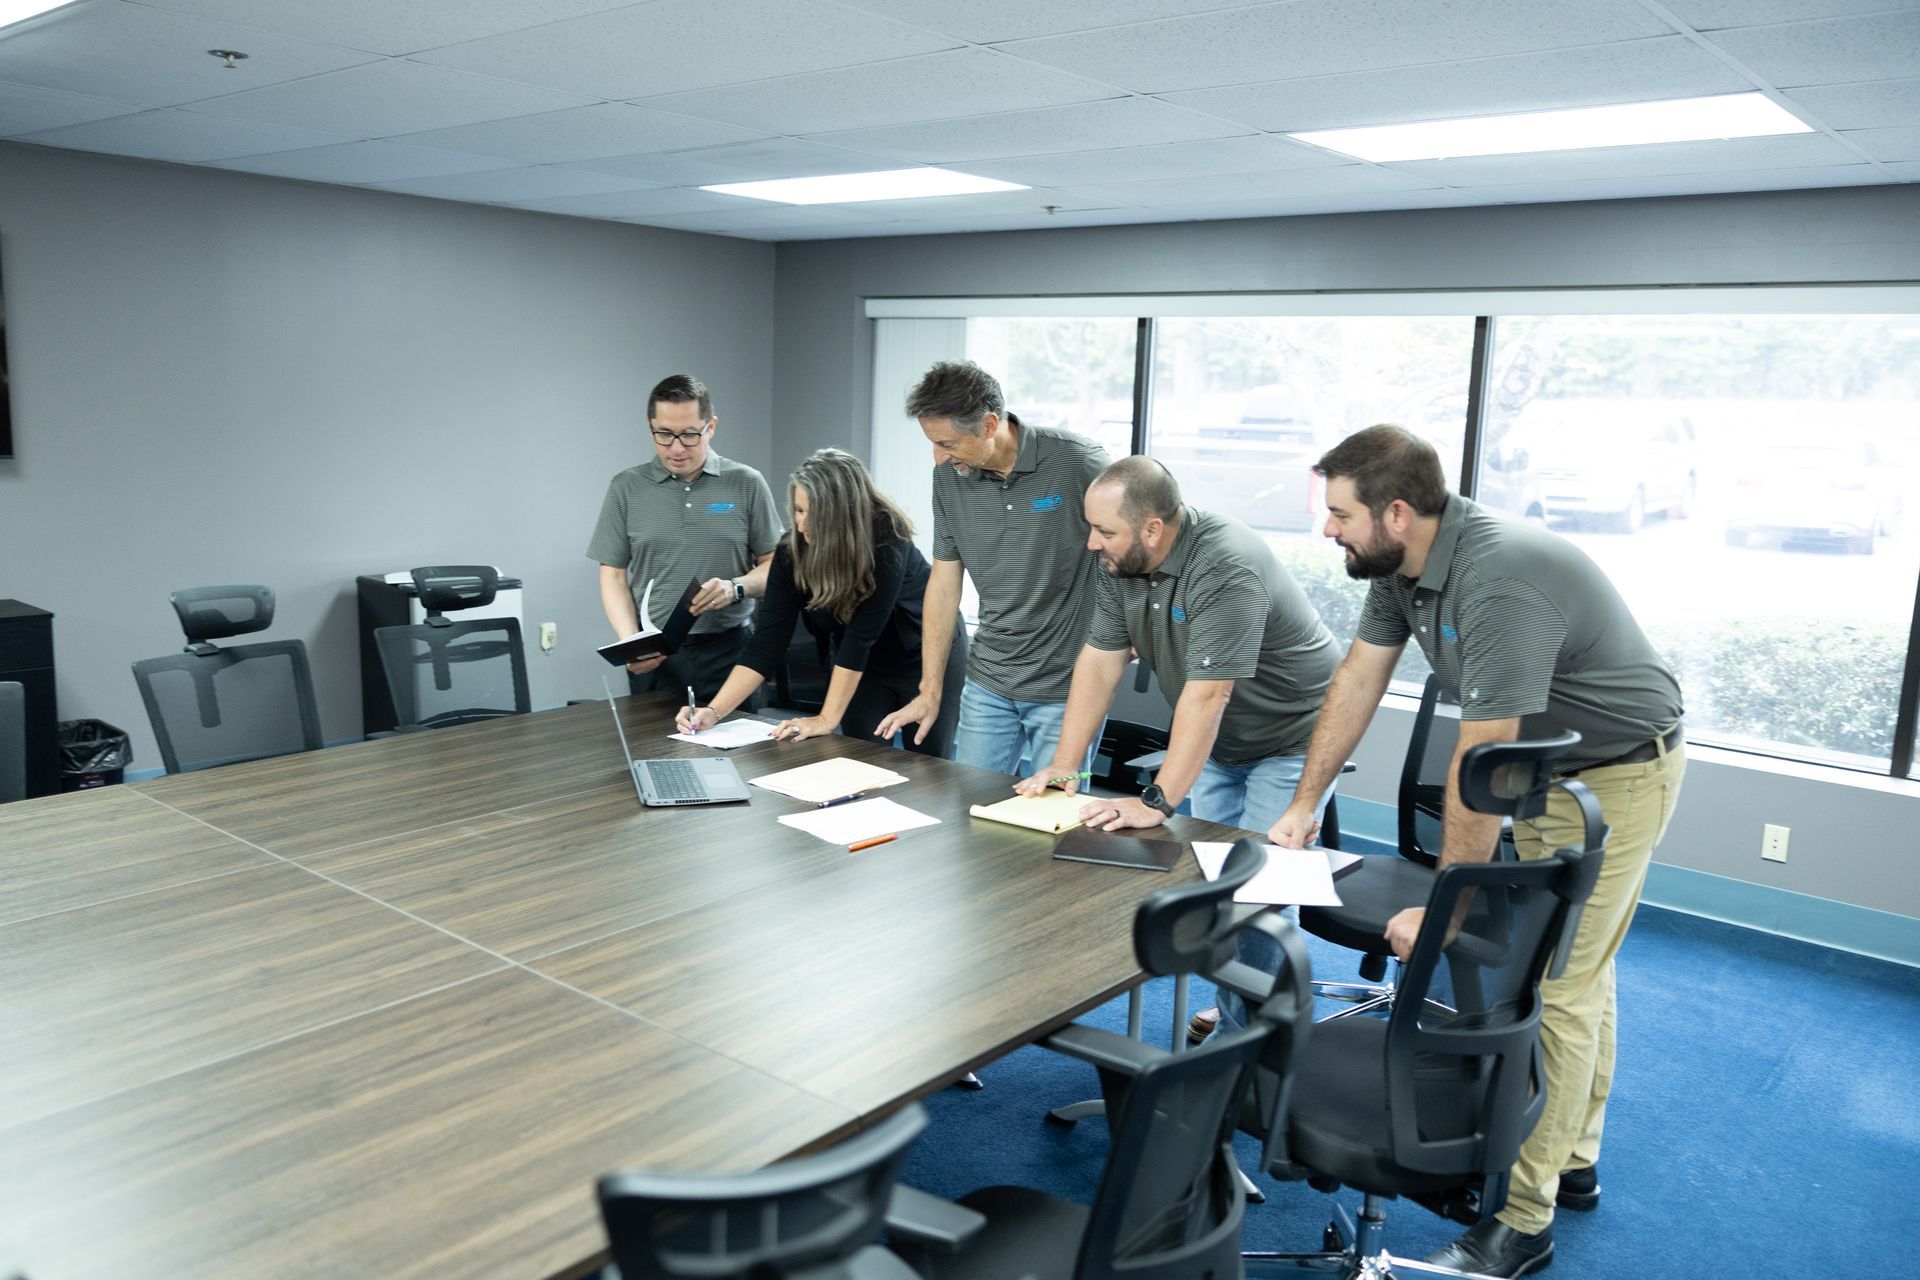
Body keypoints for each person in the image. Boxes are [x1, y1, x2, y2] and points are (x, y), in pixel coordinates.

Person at [1268, 424, 1686, 1279]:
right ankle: (1574, 1160)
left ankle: (1524, 1223)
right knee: (1585, 970)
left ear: (1396, 510)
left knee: (1556, 984)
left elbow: (1479, 761)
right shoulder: (1402, 566)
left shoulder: (1498, 578)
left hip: (1608, 773)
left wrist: (1447, 907)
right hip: (1539, 764)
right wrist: (1304, 805)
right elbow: (1357, 675)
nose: (1327, 530)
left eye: (1339, 513)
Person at [1015, 455, 1340, 1032]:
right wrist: (1066, 767)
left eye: (1104, 531)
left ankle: (1254, 1043)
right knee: (1217, 884)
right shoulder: (1122, 561)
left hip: (1294, 734)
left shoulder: (1223, 564)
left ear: (1152, 529)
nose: (1092, 544)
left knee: (1259, 889)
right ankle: (1241, 1009)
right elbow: (1099, 661)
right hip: (1221, 740)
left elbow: (1208, 694)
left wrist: (1157, 800)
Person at [874, 361, 1109, 773]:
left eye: (947, 443)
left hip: (1068, 685)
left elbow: (1131, 553)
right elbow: (945, 585)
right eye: (932, 443)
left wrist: (1126, 640)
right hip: (988, 681)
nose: (939, 457)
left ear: (988, 425)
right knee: (973, 812)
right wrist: (930, 690)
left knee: (1056, 820)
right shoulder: (949, 477)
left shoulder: (1078, 463)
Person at [677, 449, 966, 756]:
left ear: (844, 515)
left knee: (927, 764)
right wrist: (714, 711)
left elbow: (860, 637)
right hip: (863, 665)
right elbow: (766, 645)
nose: (802, 526)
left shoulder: (886, 539)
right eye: (799, 510)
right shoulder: (792, 552)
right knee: (862, 758)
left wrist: (827, 719)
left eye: (815, 514)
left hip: (924, 655)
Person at [587, 373, 780, 705]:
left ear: (711, 426)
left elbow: (776, 566)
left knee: (741, 753)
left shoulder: (747, 483)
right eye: (664, 434)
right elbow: (613, 574)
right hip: (656, 655)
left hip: (732, 653)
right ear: (651, 427)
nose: (676, 448)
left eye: (689, 435)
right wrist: (630, 640)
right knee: (653, 753)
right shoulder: (626, 487)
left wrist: (736, 587)